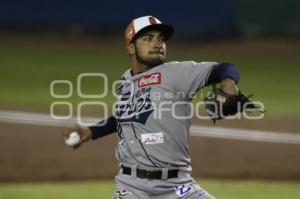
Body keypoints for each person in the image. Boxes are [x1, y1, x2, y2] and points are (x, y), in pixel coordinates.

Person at [64, 15, 241, 199]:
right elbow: (124, 116)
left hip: (178, 186)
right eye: (148, 39)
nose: (157, 44)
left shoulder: (176, 73)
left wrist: (228, 82)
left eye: (161, 39)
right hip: (131, 188)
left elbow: (225, 68)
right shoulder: (125, 81)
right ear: (131, 47)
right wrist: (92, 131)